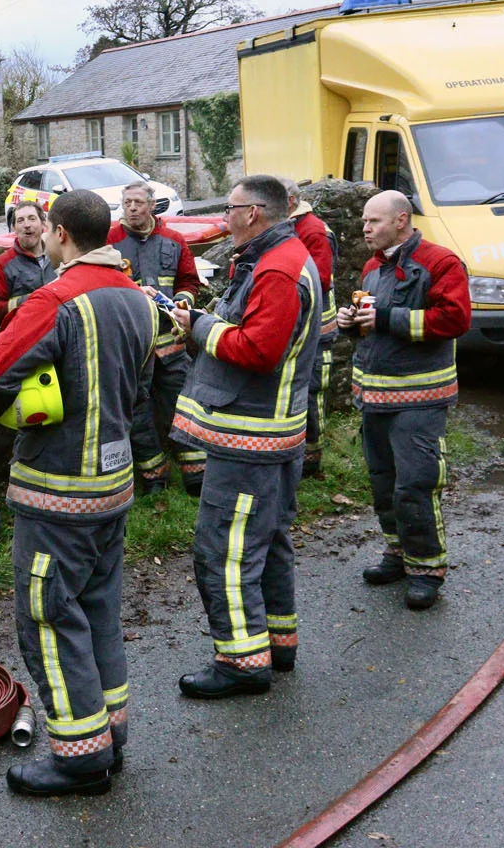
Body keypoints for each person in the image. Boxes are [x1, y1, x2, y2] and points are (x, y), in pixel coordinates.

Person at [0, 190, 154, 798]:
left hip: (57, 491)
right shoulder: (137, 298)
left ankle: (80, 758)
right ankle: (110, 733)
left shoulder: (56, 299)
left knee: (48, 615)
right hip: (114, 485)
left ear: (60, 233)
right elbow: (141, 385)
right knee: (98, 614)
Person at [169, 175, 320, 699]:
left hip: (250, 440)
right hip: (270, 435)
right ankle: (277, 643)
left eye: (229, 208)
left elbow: (258, 350)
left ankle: (240, 662)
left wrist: (198, 328)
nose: (223, 217)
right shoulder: (279, 257)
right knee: (268, 542)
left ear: (254, 213)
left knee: (226, 552)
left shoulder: (277, 269)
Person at [338, 190, 471, 611]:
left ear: (401, 220)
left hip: (420, 399)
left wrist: (384, 318)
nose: (364, 229)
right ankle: (398, 554)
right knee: (383, 484)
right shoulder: (373, 268)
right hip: (375, 398)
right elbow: (372, 326)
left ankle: (427, 569)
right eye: (363, 221)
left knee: (415, 484)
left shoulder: (440, 263)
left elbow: (455, 319)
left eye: (373, 222)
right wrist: (351, 323)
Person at [108, 182, 205, 495]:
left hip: (171, 341)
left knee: (182, 403)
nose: (132, 208)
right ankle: (154, 477)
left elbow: (189, 281)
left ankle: (195, 471)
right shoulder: (110, 240)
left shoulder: (174, 240)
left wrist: (181, 303)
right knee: (137, 409)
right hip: (132, 345)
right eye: (127, 203)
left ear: (152, 205)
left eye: (138, 202)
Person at [283, 179, 338, 478]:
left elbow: (322, 279)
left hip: (318, 331)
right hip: (298, 327)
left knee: (314, 393)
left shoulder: (313, 230)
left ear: (289, 201)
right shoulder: (292, 226)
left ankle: (312, 461)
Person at [0, 202, 56, 331]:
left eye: (32, 218)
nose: (27, 225)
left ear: (43, 223)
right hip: (24, 337)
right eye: (20, 221)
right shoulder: (0, 265)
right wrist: (30, 300)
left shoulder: (58, 255)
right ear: (14, 228)